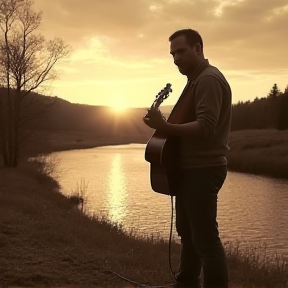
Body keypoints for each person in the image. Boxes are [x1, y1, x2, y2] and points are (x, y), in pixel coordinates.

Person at [143, 29, 232, 288]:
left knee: (205, 239)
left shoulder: (208, 79)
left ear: (198, 48)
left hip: (203, 169)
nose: (175, 58)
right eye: (172, 54)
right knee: (188, 233)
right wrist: (162, 125)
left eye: (180, 51)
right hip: (190, 169)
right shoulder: (194, 80)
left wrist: (165, 127)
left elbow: (206, 128)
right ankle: (187, 282)